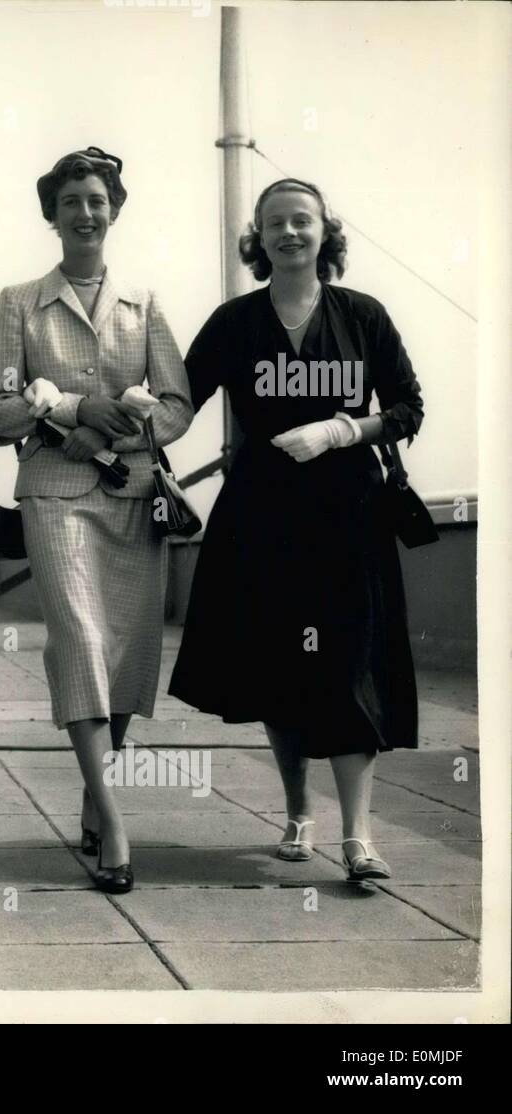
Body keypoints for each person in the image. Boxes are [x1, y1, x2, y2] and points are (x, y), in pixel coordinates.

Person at [168, 177, 424, 882]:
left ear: (324, 231)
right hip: (262, 513)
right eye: (274, 223)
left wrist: (342, 428)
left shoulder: (363, 316)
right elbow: (176, 402)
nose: (289, 233)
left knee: (348, 665)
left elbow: (406, 408)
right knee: (278, 668)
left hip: (349, 514)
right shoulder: (235, 322)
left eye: (302, 221)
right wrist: (122, 407)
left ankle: (359, 836)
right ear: (258, 237)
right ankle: (296, 813)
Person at [0, 148, 193, 894]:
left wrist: (116, 428)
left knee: (128, 654)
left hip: (132, 492)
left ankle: (91, 791)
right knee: (79, 639)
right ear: (52, 212)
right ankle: (115, 817)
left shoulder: (145, 300)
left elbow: (177, 406)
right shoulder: (20, 301)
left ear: (115, 207)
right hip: (55, 493)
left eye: (97, 199)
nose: (85, 212)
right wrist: (68, 410)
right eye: (70, 199)